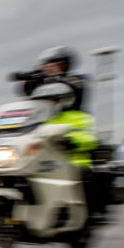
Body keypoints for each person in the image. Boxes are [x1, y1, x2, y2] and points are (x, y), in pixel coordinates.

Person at [30, 81, 107, 222]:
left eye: (50, 100)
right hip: (44, 163)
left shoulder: (79, 117)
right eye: (41, 101)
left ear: (64, 100)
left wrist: (72, 141)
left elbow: (89, 137)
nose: (46, 104)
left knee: (87, 178)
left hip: (73, 161)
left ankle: (92, 213)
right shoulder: (35, 120)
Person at [9, 46, 90, 112]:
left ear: (64, 65)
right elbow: (26, 92)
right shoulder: (42, 82)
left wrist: (57, 76)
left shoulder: (77, 80)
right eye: (46, 65)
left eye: (52, 64)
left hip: (72, 121)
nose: (48, 67)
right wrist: (34, 77)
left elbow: (73, 87)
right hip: (47, 121)